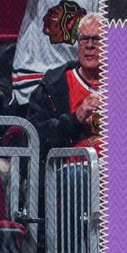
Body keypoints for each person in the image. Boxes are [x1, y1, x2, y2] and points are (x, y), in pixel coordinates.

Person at [27, 11, 102, 161]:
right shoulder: (54, 85)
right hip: (72, 172)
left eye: (97, 39)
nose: (89, 45)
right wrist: (76, 118)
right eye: (84, 39)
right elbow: (36, 136)